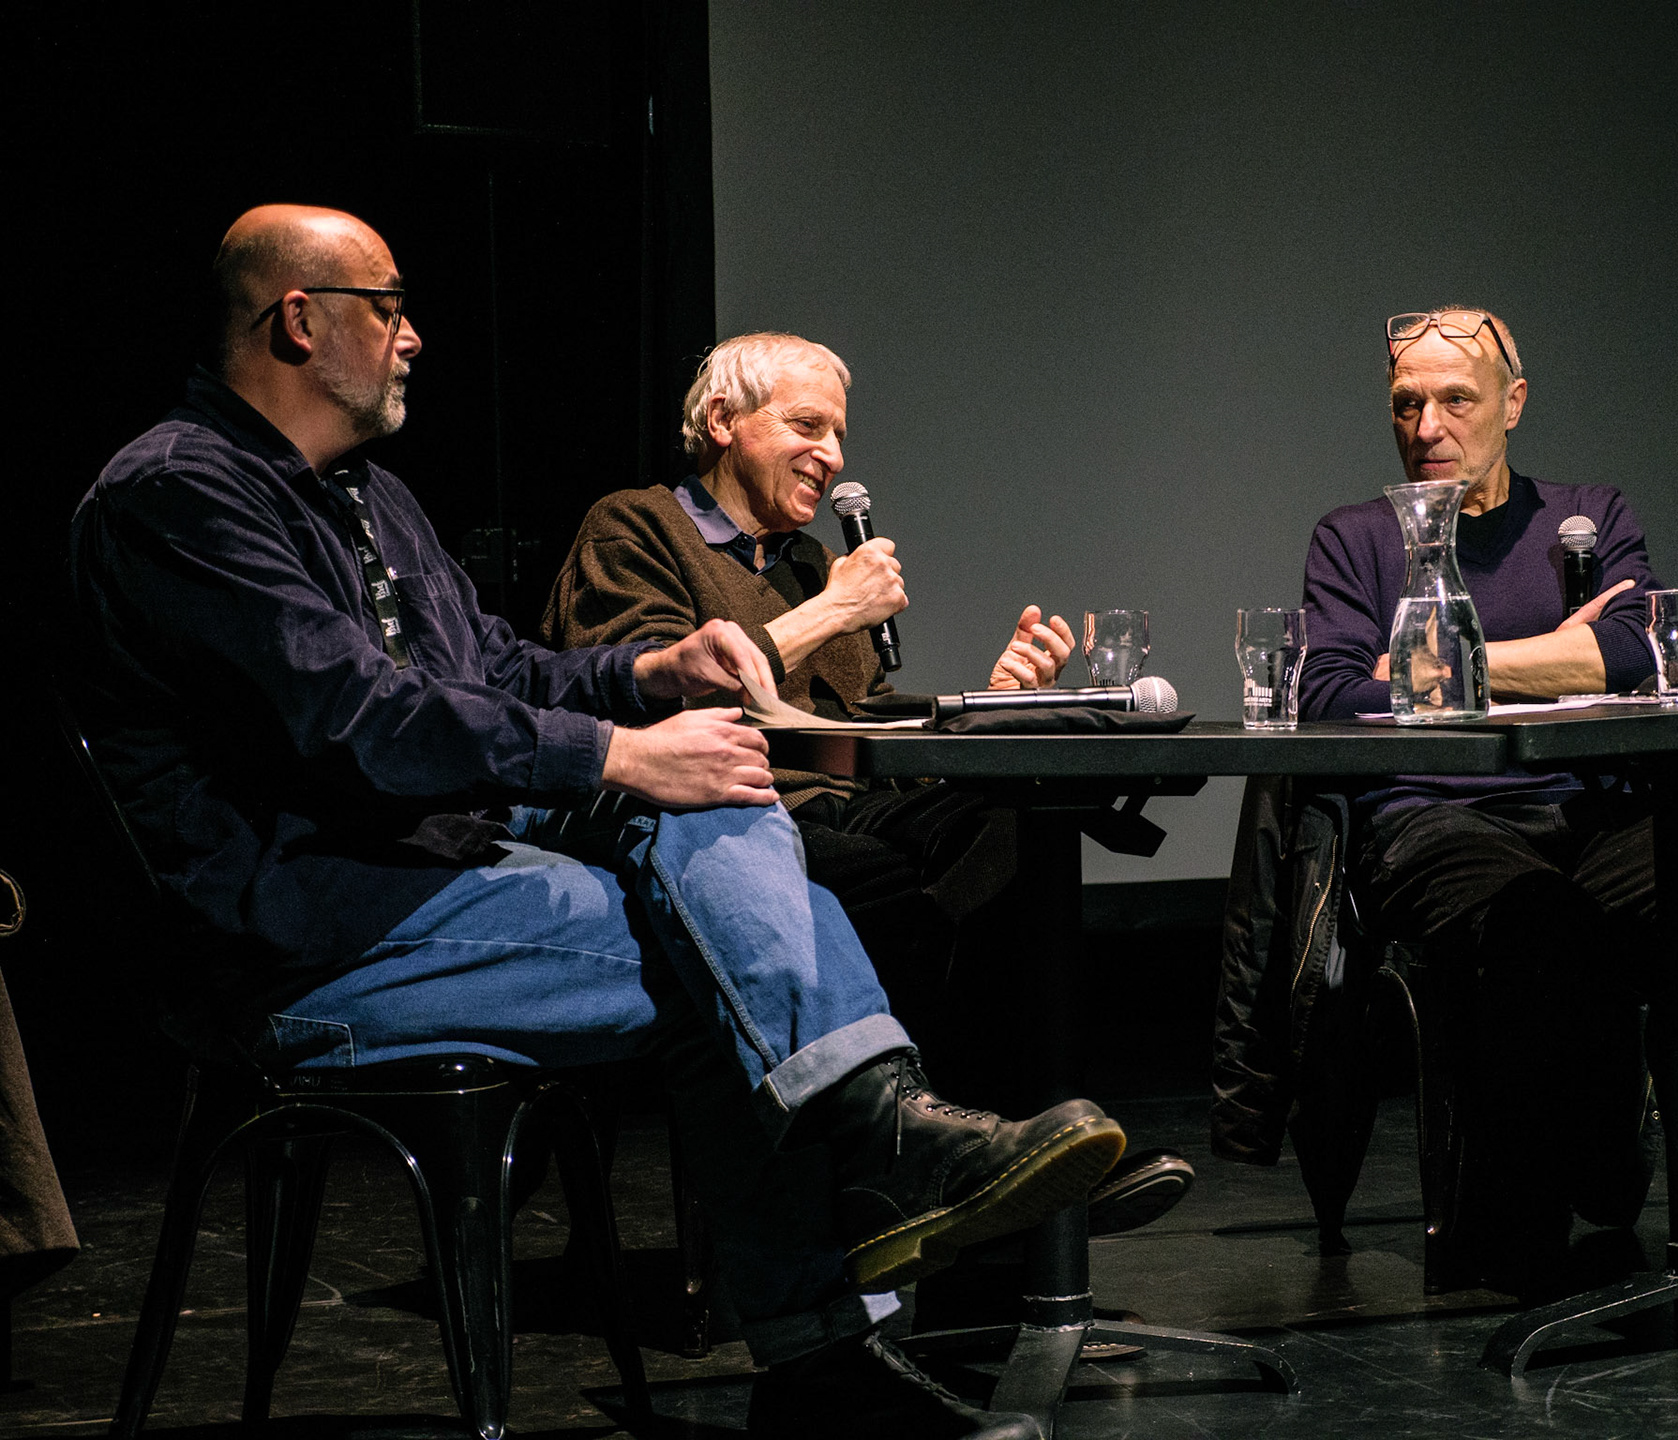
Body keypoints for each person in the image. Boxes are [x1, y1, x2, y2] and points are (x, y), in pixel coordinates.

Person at [68, 205, 1128, 1440]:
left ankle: (868, 1169)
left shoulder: (373, 496)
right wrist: (621, 751)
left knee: (718, 802)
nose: (413, 335)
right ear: (300, 321)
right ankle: (846, 1272)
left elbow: (498, 670)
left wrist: (652, 676)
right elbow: (355, 719)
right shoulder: (179, 492)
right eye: (390, 306)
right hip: (307, 932)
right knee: (735, 953)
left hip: (441, 873)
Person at [540, 332, 1195, 1238]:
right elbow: (648, 686)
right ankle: (930, 1172)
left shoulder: (809, 564)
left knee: (1019, 835)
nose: (835, 457)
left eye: (840, 434)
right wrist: (835, 608)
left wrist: (995, 698)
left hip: (850, 804)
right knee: (892, 888)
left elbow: (863, 727)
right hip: (725, 820)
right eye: (808, 426)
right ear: (723, 420)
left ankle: (1025, 1157)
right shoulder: (636, 528)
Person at [1214, 307, 1663, 1295]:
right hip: (1431, 817)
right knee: (1541, 925)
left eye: (1456, 399)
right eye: (1405, 404)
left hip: (1586, 808)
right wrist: (1556, 659)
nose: (1427, 428)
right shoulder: (1356, 539)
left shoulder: (1586, 519)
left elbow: (1635, 653)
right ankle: (1523, 1249)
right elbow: (1332, 694)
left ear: (1514, 401)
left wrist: (1432, 664)